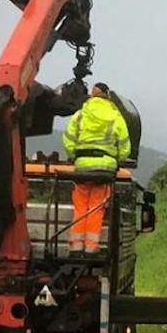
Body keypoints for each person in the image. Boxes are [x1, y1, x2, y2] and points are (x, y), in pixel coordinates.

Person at [61, 81, 131, 253]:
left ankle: (76, 248)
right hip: (104, 169)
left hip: (83, 167)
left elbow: (68, 139)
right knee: (96, 207)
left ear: (92, 95)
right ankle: (91, 248)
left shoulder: (81, 114)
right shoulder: (115, 115)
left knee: (80, 207)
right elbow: (124, 148)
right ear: (107, 95)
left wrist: (74, 156)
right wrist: (116, 159)